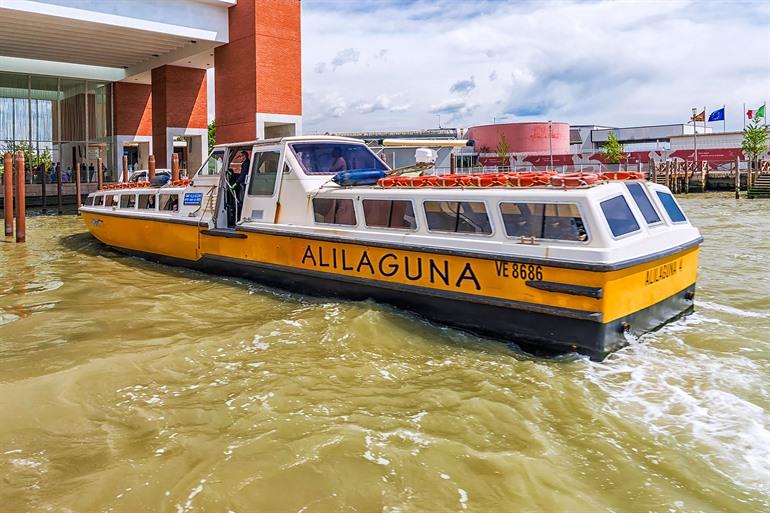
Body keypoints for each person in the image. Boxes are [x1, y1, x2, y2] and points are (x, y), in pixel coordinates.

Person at [234, 150, 250, 220]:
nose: (240, 158)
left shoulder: (246, 164)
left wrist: (236, 183)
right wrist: (234, 174)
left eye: (241, 157)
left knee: (241, 200)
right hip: (243, 183)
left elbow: (243, 175)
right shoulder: (246, 163)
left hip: (244, 184)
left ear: (244, 156)